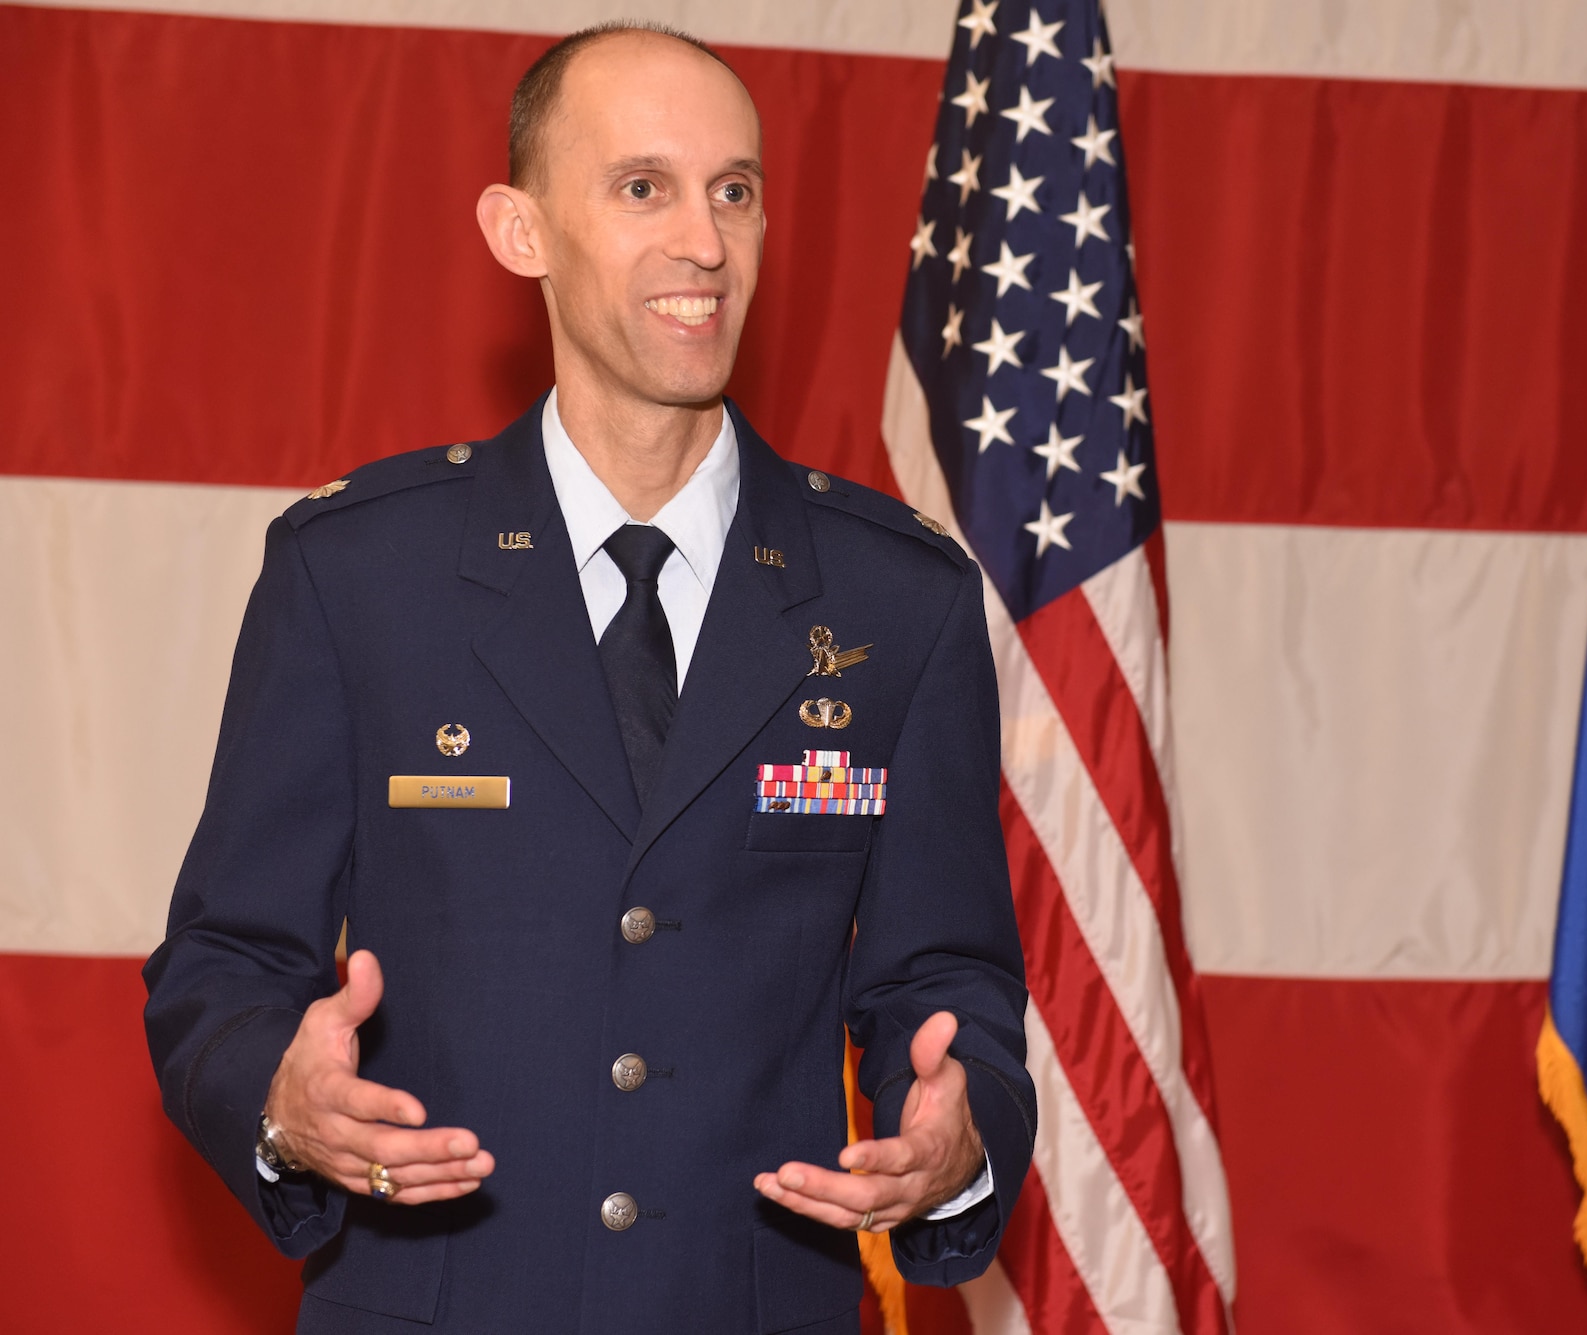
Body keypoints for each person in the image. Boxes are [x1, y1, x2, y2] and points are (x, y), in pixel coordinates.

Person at [142, 23, 1034, 1333]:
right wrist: (283, 1099)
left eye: (735, 190)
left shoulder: (898, 598)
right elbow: (223, 963)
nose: (707, 241)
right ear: (521, 231)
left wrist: (956, 1131)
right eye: (642, 188)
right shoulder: (359, 575)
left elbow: (947, 979)